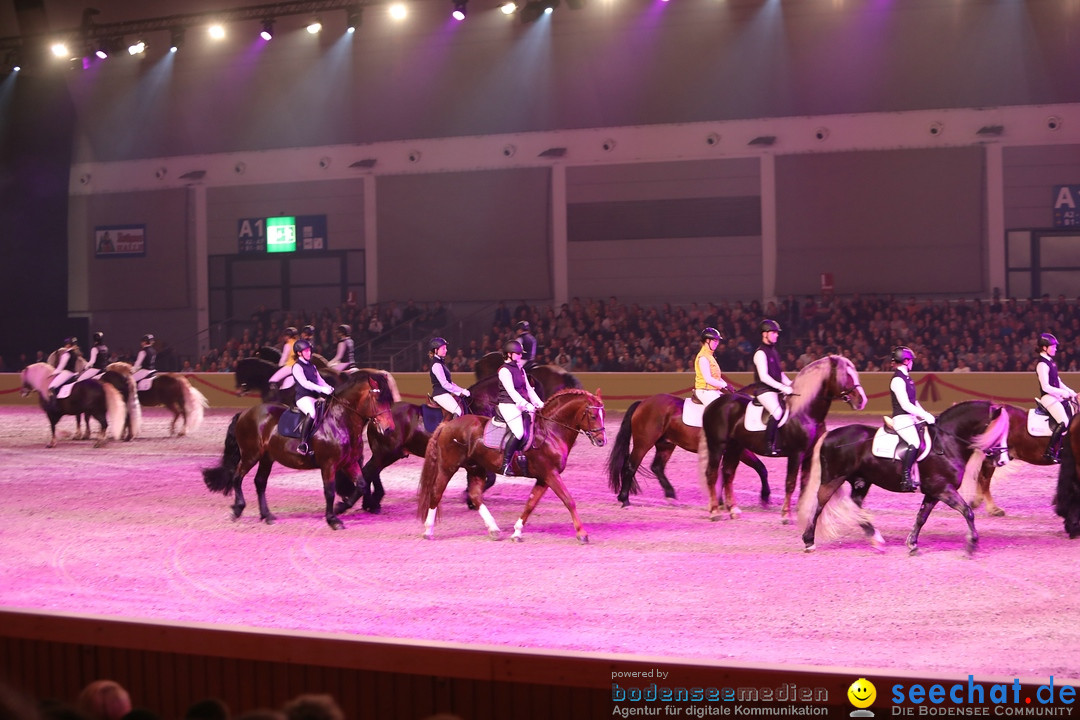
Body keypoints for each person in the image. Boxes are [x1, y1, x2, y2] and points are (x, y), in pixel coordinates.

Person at [889, 346, 935, 491]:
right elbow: (905, 404)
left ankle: (919, 475)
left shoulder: (907, 378)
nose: (912, 363)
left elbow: (914, 402)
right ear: (906, 361)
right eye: (911, 361)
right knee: (914, 442)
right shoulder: (898, 380)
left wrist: (925, 413)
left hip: (910, 417)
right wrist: (924, 415)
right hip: (902, 418)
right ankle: (905, 478)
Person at [496, 339, 544, 476]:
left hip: (520, 404)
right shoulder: (504, 371)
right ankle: (505, 464)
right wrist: (526, 404)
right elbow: (511, 391)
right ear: (509, 354)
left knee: (534, 427)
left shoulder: (520, 369)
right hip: (508, 404)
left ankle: (525, 458)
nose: (520, 356)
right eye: (518, 353)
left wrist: (539, 403)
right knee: (518, 432)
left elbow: (529, 389)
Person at [752, 319, 794, 456]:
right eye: (774, 333)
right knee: (777, 412)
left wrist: (791, 385)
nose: (777, 335)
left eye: (777, 333)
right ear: (765, 334)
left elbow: (779, 373)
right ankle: (768, 444)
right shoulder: (760, 353)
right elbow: (764, 377)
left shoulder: (774, 352)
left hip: (775, 390)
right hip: (764, 391)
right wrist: (782, 387)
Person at [1036, 333, 1077, 463]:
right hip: (1048, 398)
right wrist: (1062, 393)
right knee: (1063, 421)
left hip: (1056, 397)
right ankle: (1050, 451)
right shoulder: (1042, 364)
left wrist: (1072, 392)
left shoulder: (1050, 361)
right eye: (1053, 347)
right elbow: (1046, 386)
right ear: (1044, 348)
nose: (1055, 349)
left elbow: (1058, 381)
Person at [291, 339, 333, 455]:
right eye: (306, 351)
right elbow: (305, 383)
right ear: (299, 353)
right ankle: (303, 444)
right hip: (303, 397)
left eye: (309, 350)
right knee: (312, 413)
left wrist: (329, 388)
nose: (309, 353)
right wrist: (321, 389)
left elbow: (320, 381)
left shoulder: (312, 366)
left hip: (315, 397)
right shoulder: (297, 367)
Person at [428, 337, 470, 418]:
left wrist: (461, 390)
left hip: (445, 393)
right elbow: (445, 384)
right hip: (440, 394)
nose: (446, 350)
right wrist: (460, 391)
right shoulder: (436, 365)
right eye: (443, 348)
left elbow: (450, 383)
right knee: (458, 411)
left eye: (445, 348)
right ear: (436, 350)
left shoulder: (441, 362)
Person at [694, 327, 728, 406]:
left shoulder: (710, 356)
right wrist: (724, 385)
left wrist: (726, 385)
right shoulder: (703, 357)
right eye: (715, 340)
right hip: (705, 391)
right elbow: (708, 379)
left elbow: (715, 376)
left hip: (713, 390)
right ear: (707, 341)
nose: (717, 343)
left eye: (718, 341)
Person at [47, 337, 81, 403]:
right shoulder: (75, 353)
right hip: (74, 373)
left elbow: (60, 367)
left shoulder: (66, 354)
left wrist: (52, 373)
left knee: (51, 387)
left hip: (67, 373)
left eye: (66, 344)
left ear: (68, 345)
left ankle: (54, 405)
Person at [267, 327, 299, 392]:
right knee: (284, 386)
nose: (284, 337)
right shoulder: (298, 343)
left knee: (272, 380)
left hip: (289, 366)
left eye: (285, 335)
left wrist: (279, 366)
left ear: (288, 336)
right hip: (298, 367)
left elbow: (284, 357)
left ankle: (274, 395)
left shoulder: (288, 345)